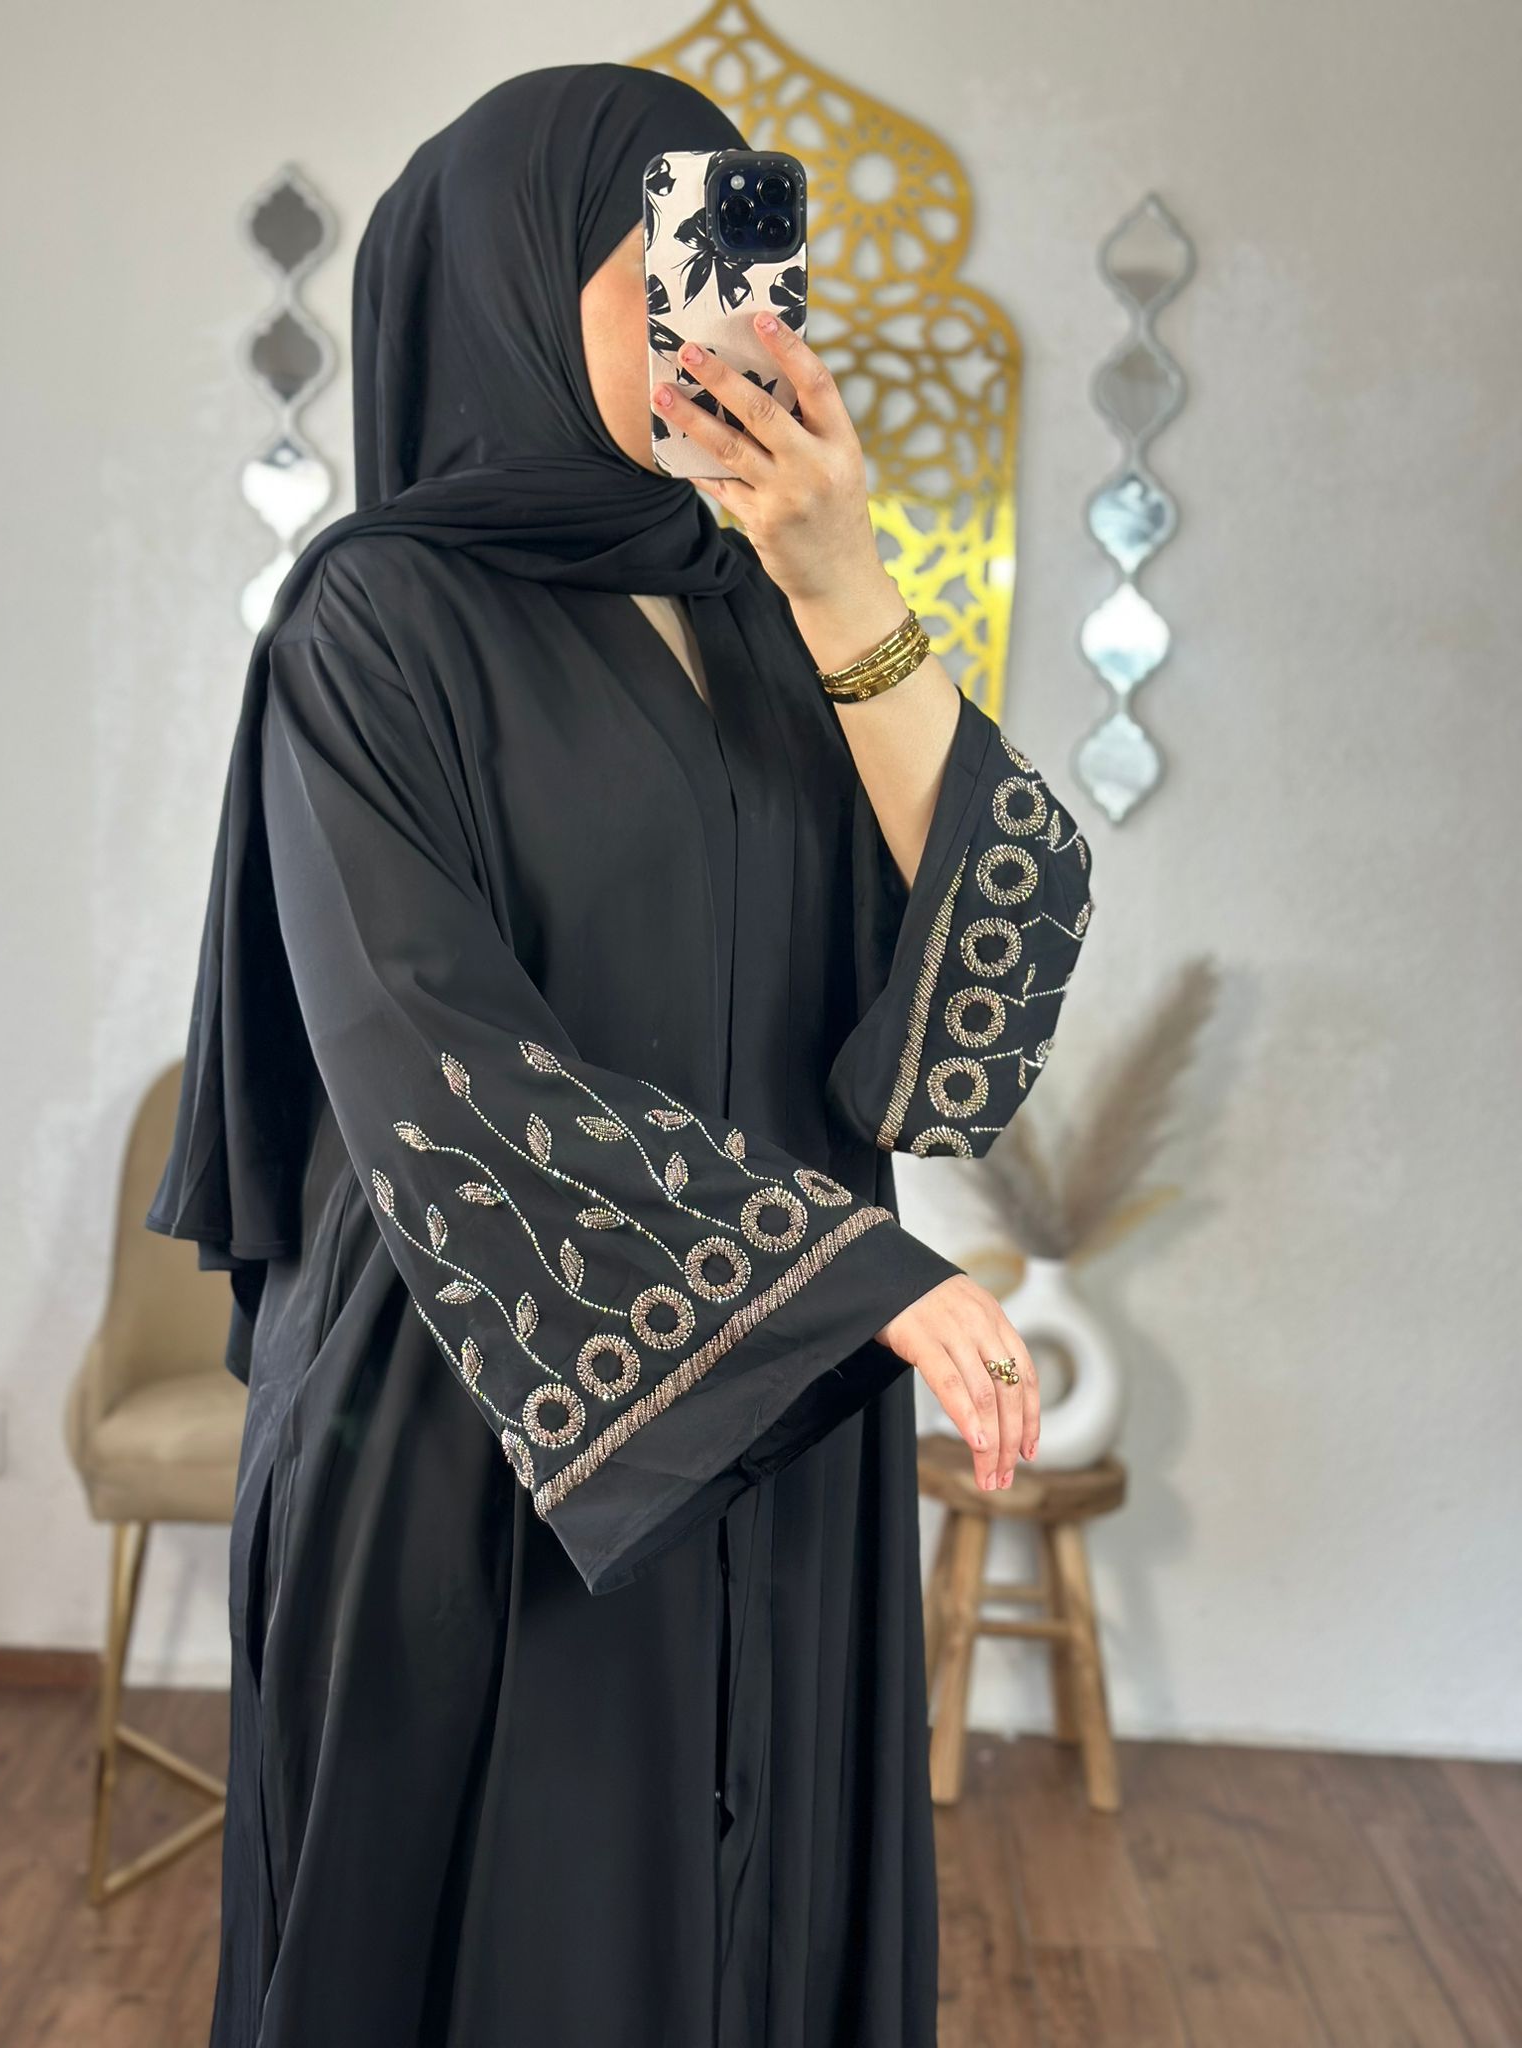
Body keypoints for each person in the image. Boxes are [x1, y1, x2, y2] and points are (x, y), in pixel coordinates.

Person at [147, 60, 1094, 2048]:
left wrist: (845, 579)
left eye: (745, 259)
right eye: (661, 258)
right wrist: (860, 1280)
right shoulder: (372, 619)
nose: (718, 315)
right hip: (466, 1423)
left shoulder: (776, 608)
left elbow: (970, 1033)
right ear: (517, 274)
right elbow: (430, 1052)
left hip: (785, 1409)